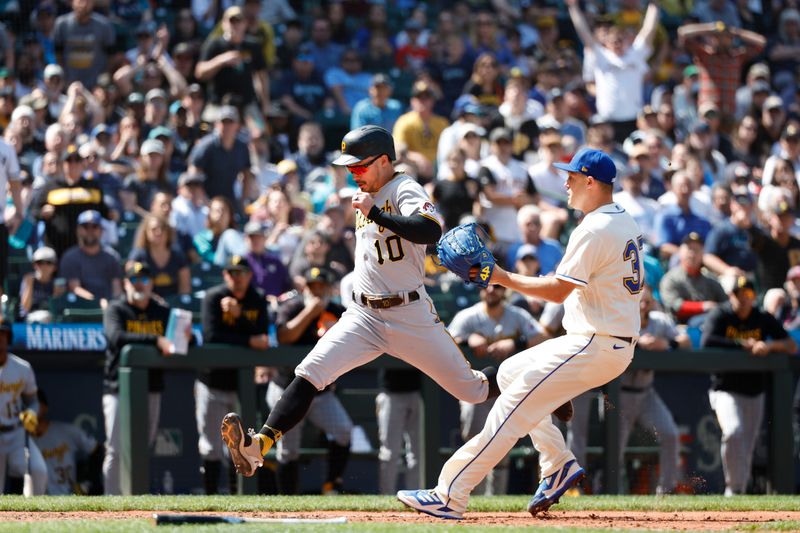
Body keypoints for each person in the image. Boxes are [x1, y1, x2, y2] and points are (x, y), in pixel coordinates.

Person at [220, 125, 498, 479]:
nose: (353, 174)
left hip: (408, 311)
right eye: (349, 168)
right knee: (309, 374)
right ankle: (257, 445)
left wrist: (378, 213)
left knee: (473, 390)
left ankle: (532, 378)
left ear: (384, 161)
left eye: (359, 167)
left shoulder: (403, 187)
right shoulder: (364, 192)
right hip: (364, 314)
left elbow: (431, 230)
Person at [397, 148, 644, 519]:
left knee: (509, 411)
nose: (565, 183)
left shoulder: (594, 227)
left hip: (596, 341)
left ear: (591, 181)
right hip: (597, 339)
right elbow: (574, 285)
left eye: (572, 176)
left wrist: (501, 277)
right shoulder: (622, 218)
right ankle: (557, 462)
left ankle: (450, 494)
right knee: (511, 374)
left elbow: (559, 291)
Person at [701, 276, 796, 496]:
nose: (743, 299)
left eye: (748, 294)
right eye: (738, 294)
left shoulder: (762, 317)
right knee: (734, 433)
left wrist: (769, 345)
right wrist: (741, 344)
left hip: (755, 392)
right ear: (730, 295)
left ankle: (739, 492)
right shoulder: (722, 315)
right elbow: (707, 341)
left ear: (754, 296)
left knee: (747, 446)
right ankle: (733, 490)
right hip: (725, 388)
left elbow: (790, 345)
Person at [448, 284, 545, 496]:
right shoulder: (469, 316)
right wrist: (468, 339)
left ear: (504, 291)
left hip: (508, 392)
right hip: (477, 390)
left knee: (502, 447)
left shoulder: (516, 315)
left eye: (497, 286)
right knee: (473, 443)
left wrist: (516, 342)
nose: (492, 290)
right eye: (487, 286)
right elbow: (447, 340)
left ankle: (496, 503)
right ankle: (469, 499)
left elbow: (542, 337)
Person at [271, 267, 352, 495]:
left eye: (321, 287)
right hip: (287, 389)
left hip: (321, 392)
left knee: (343, 431)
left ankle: (331, 486)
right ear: (305, 288)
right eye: (312, 287)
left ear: (329, 289)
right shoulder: (293, 306)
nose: (317, 292)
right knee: (288, 448)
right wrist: (310, 311)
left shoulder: (338, 311)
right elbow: (283, 336)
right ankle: (287, 500)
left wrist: (336, 332)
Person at [101, 261, 181, 495]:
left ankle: (135, 500)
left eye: (144, 279)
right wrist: (155, 340)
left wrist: (184, 336)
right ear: (125, 283)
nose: (139, 284)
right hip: (118, 389)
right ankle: (111, 504)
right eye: (134, 280)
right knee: (116, 449)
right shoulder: (116, 309)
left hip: (151, 388)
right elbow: (116, 337)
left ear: (151, 284)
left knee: (143, 449)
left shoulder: (162, 312)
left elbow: (183, 342)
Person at [200, 255, 269, 494]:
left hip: (244, 386)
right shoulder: (213, 297)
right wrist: (247, 339)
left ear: (249, 275)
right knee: (210, 446)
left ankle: (236, 495)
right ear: (225, 275)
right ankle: (210, 498)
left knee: (240, 446)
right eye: (232, 273)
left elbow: (263, 339)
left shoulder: (257, 299)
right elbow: (211, 338)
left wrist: (239, 317)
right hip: (212, 380)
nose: (236, 278)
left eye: (241, 273)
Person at [619, 286, 689, 495]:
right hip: (618, 394)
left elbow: (685, 341)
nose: (643, 306)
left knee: (670, 434)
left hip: (646, 393)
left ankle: (666, 492)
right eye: (639, 301)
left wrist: (667, 344)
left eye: (647, 301)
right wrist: (638, 343)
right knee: (615, 448)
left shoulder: (659, 321)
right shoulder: (621, 317)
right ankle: (612, 492)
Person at [0, 322, 47, 495]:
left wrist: (32, 412)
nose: (0, 339)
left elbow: (34, 400)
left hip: (16, 433)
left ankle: (34, 519)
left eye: (2, 335)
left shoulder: (22, 367)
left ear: (8, 337)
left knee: (38, 471)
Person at [33, 389, 100, 495]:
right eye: (27, 406)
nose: (30, 411)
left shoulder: (66, 431)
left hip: (68, 494)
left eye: (34, 405)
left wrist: (87, 483)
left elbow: (97, 450)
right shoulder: (20, 441)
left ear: (45, 407)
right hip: (38, 500)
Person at [659, 232, 727, 326]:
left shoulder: (710, 279)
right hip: (680, 328)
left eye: (697, 250)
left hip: (709, 325)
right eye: (689, 249)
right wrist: (703, 306)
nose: (692, 254)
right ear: (680, 252)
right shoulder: (670, 278)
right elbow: (675, 306)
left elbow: (725, 304)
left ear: (703, 254)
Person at [59, 210, 123, 308]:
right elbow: (75, 288)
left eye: (94, 226)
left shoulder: (112, 257)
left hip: (109, 308)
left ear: (101, 231)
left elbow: (117, 289)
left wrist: (112, 306)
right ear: (78, 230)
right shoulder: (70, 257)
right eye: (85, 227)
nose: (90, 231)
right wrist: (97, 302)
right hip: (79, 308)